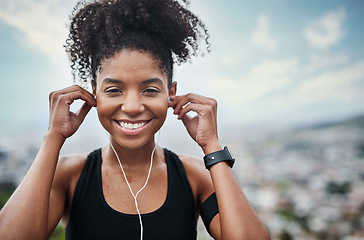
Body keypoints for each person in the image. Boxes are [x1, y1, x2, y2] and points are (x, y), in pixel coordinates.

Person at [0, 0, 270, 239]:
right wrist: (53, 139)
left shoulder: (196, 176)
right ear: (94, 94)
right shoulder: (68, 175)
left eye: (150, 90)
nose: (131, 106)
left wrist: (211, 146)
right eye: (113, 90)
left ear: (170, 93)